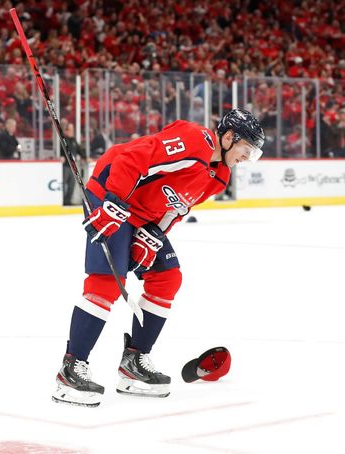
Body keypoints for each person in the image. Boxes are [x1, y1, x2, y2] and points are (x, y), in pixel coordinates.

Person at [52, 109, 265, 407]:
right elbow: (133, 159)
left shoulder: (220, 176)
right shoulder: (194, 141)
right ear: (229, 137)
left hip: (142, 216)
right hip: (114, 193)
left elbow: (177, 208)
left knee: (168, 278)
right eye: (247, 150)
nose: (246, 158)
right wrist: (112, 203)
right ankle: (71, 367)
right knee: (107, 283)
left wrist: (154, 234)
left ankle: (134, 363)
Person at [61, 122, 86, 205]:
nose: (72, 132)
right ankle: (63, 200)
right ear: (66, 131)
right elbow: (60, 151)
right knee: (64, 184)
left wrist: (85, 157)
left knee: (72, 184)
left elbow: (80, 150)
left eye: (72, 130)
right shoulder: (63, 140)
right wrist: (61, 156)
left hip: (73, 166)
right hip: (65, 166)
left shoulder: (74, 141)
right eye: (70, 130)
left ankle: (68, 200)